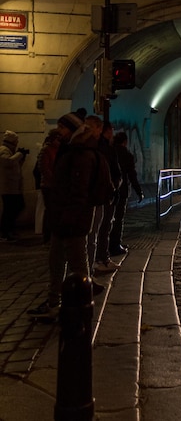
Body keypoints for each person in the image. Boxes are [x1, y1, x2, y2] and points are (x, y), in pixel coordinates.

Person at [28, 112, 108, 319]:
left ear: (72, 130)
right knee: (57, 261)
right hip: (64, 216)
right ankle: (55, 300)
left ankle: (80, 305)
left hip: (72, 218)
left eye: (63, 128)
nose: (59, 131)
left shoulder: (80, 154)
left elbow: (78, 191)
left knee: (76, 263)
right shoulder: (73, 150)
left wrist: (68, 216)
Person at [85, 117, 121, 274]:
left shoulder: (95, 147)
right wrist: (113, 186)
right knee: (102, 227)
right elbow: (110, 170)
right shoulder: (103, 148)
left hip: (99, 193)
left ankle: (96, 261)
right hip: (103, 194)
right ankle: (100, 260)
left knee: (98, 229)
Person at [111, 131, 144, 255]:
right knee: (118, 218)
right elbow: (132, 175)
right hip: (122, 190)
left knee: (109, 218)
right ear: (125, 142)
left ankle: (108, 243)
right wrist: (139, 191)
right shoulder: (127, 155)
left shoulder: (109, 152)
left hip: (109, 190)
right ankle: (115, 244)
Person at [0, 130, 28, 241]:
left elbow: (15, 165)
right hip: (8, 186)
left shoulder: (10, 151)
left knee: (15, 207)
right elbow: (8, 162)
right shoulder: (3, 150)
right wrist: (20, 154)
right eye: (16, 141)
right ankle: (6, 231)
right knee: (11, 208)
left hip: (13, 185)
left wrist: (21, 158)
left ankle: (9, 229)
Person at [35, 128, 62, 243]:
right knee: (50, 211)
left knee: (54, 211)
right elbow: (44, 168)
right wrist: (54, 179)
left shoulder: (58, 150)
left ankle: (53, 234)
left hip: (55, 185)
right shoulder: (46, 150)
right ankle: (48, 235)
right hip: (48, 186)